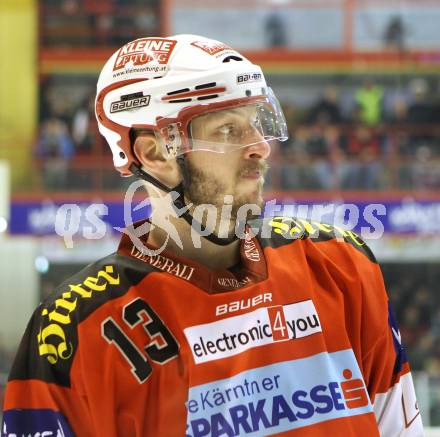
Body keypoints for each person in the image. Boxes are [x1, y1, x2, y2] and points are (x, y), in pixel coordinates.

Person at [2, 35, 423, 436]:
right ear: (153, 154)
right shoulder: (69, 333)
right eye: (227, 130)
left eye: (256, 123)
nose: (261, 146)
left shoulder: (340, 264)